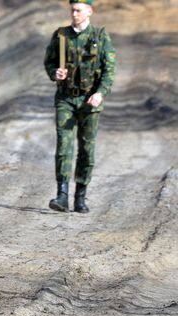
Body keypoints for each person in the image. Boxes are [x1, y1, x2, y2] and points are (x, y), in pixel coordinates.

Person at [44, 0, 116, 213]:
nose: (74, 14)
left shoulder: (100, 36)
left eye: (78, 10)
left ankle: (81, 197)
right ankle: (62, 195)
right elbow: (49, 62)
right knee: (64, 146)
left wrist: (100, 93)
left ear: (89, 11)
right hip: (66, 98)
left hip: (89, 101)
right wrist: (54, 73)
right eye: (72, 10)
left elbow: (109, 70)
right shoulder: (61, 35)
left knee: (86, 149)